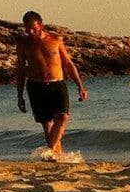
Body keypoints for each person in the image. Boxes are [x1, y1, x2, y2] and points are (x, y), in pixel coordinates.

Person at [16, 10, 88, 160]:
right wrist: (20, 95)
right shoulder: (24, 44)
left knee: (63, 117)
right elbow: (21, 69)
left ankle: (49, 150)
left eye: (33, 28)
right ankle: (56, 157)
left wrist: (80, 86)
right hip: (36, 86)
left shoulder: (55, 40)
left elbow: (68, 63)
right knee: (47, 125)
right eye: (27, 28)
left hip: (57, 84)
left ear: (41, 25)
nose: (30, 31)